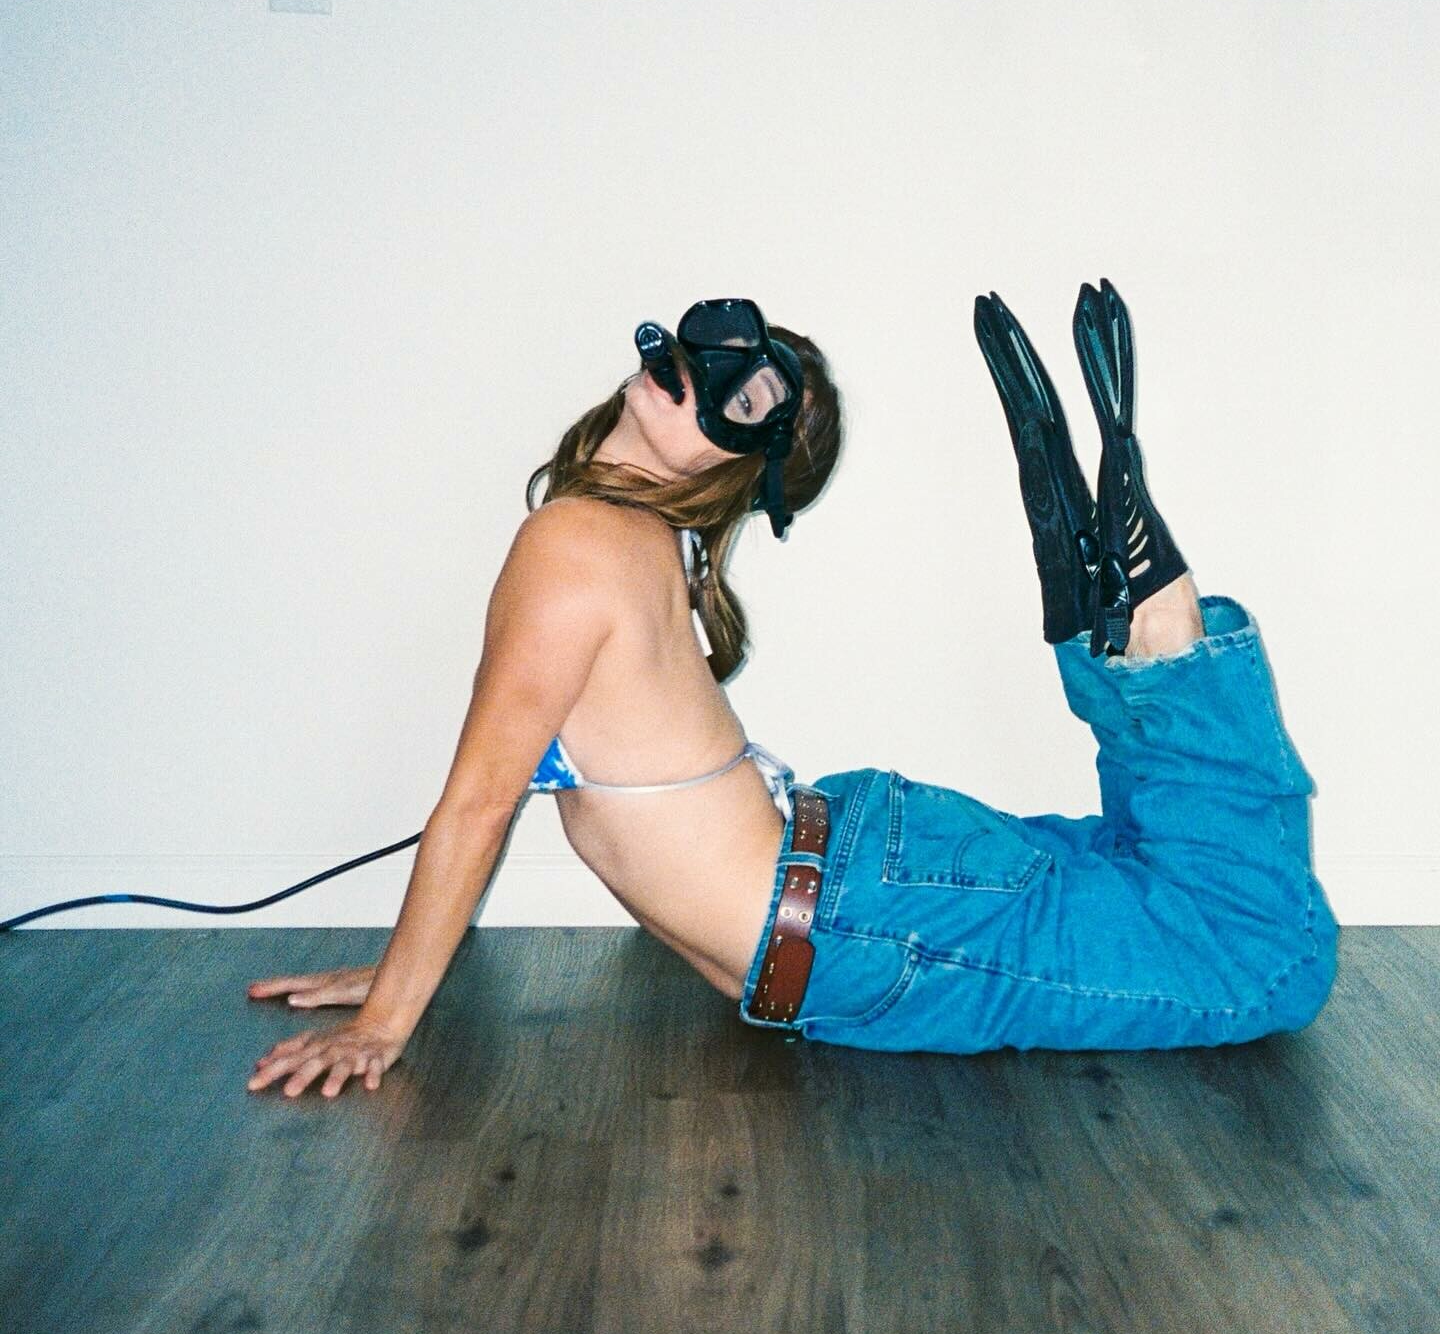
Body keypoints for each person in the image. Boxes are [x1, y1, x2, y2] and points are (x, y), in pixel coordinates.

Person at [247, 286, 1337, 1097]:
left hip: (861, 910)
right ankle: (1153, 651)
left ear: (735, 462)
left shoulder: (579, 541)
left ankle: (1159, 642)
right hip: (857, 880)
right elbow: (485, 802)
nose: (695, 373)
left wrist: (387, 1018)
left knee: (1263, 960)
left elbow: (480, 802)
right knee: (1195, 901)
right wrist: (400, 978)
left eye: (743, 388)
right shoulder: (623, 538)